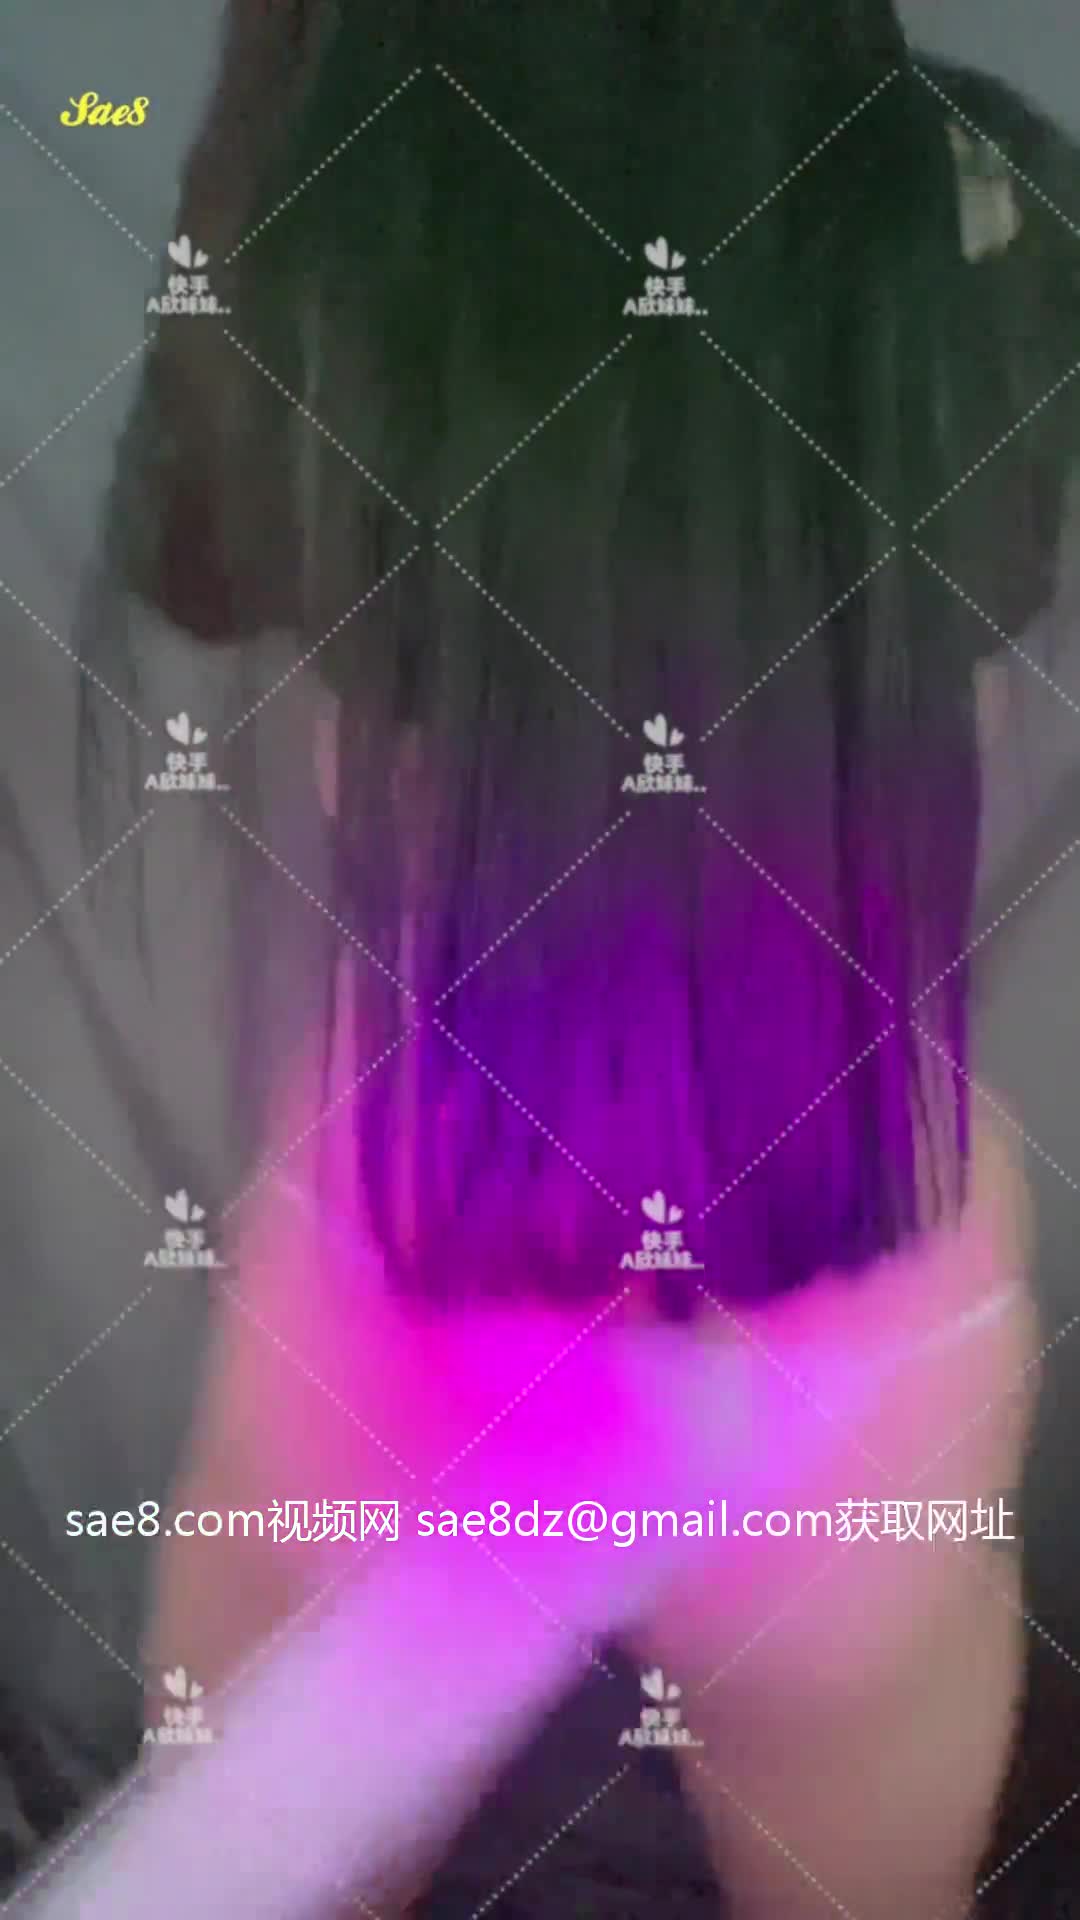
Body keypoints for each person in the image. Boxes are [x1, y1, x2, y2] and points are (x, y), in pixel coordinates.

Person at [56, 0, 1073, 1912]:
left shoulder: (351, 181)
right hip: (847, 1263)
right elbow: (986, 584)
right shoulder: (978, 195)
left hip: (428, 1207)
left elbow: (206, 558)